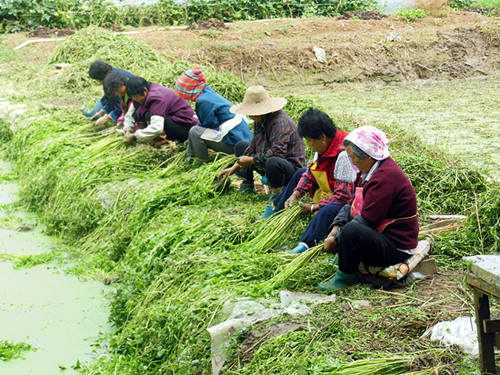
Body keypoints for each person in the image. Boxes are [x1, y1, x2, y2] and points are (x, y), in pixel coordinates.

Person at [318, 125, 419, 291]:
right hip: (382, 236)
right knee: (342, 218)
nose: (354, 162)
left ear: (369, 156)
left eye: (355, 157)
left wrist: (338, 241)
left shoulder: (384, 178)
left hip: (396, 246)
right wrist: (336, 227)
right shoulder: (372, 172)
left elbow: (368, 221)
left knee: (352, 231)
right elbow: (353, 202)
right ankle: (345, 256)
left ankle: (345, 276)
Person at [261, 108, 358, 254]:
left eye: (310, 141)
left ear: (322, 137)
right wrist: (296, 194)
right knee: (300, 173)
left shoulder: (344, 154)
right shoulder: (323, 147)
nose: (309, 145)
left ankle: (305, 245)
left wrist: (314, 207)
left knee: (326, 211)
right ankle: (277, 210)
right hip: (328, 189)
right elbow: (310, 174)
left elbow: (343, 196)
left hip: (346, 201)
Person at [217, 85, 306, 196]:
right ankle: (247, 184)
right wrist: (233, 168)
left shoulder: (279, 122)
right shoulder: (260, 120)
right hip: (267, 163)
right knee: (241, 146)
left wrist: (250, 161)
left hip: (289, 169)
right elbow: (253, 147)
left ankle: (276, 193)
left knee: (272, 161)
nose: (250, 116)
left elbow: (277, 153)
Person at [175, 66, 253, 163]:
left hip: (235, 143)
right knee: (196, 131)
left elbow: (210, 125)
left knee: (194, 132)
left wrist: (197, 124)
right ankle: (191, 155)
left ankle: (201, 162)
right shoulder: (207, 91)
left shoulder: (202, 101)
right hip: (243, 138)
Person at [122, 76, 199, 145]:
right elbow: (130, 114)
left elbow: (157, 128)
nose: (135, 100)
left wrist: (135, 136)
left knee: (149, 115)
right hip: (173, 121)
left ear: (145, 91)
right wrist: (128, 130)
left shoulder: (156, 98)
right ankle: (150, 139)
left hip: (186, 127)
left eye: (136, 97)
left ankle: (161, 142)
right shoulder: (140, 96)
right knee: (138, 113)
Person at [84, 61, 134, 128]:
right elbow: (111, 99)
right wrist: (103, 111)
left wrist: (108, 117)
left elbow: (120, 107)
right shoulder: (111, 77)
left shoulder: (115, 84)